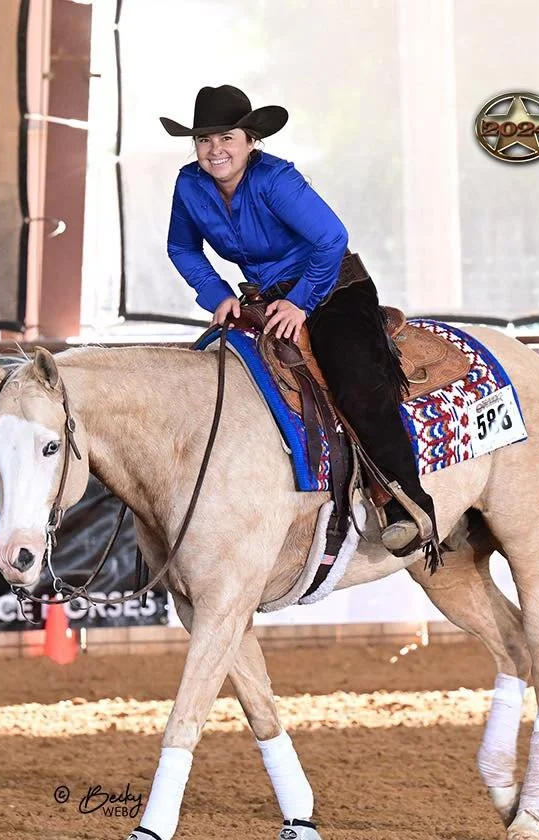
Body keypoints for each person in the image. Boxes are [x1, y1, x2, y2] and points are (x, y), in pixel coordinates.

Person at [161, 85, 436, 557]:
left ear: (251, 141)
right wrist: (217, 293)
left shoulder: (276, 180)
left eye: (227, 138)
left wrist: (301, 302)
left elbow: (332, 238)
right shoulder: (189, 185)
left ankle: (406, 503)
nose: (215, 149)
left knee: (354, 381)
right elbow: (181, 246)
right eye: (204, 140)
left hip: (331, 287)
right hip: (265, 299)